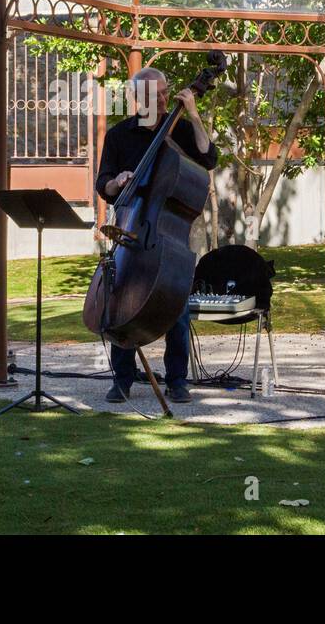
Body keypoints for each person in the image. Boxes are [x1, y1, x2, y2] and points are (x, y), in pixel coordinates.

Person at [95, 67, 218, 404]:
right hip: (129, 230)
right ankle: (122, 380)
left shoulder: (179, 130)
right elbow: (102, 184)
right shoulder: (120, 135)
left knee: (175, 307)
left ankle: (177, 381)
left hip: (166, 237)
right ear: (137, 98)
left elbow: (209, 158)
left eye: (165, 92)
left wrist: (193, 114)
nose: (162, 99)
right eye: (154, 95)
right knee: (120, 301)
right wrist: (117, 181)